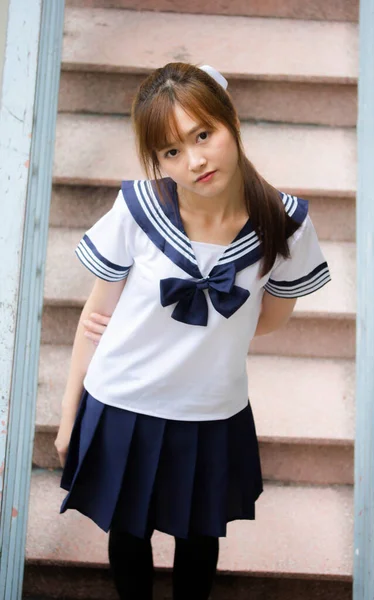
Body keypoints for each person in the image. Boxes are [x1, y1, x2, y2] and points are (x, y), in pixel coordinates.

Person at [55, 62, 331, 600]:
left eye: (204, 134)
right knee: (128, 534)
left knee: (200, 537)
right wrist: (69, 420)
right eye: (171, 151)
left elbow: (270, 320)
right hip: (122, 401)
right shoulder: (137, 209)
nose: (195, 160)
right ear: (157, 161)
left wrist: (204, 339)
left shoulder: (286, 222)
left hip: (211, 408)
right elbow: (94, 323)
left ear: (231, 121)